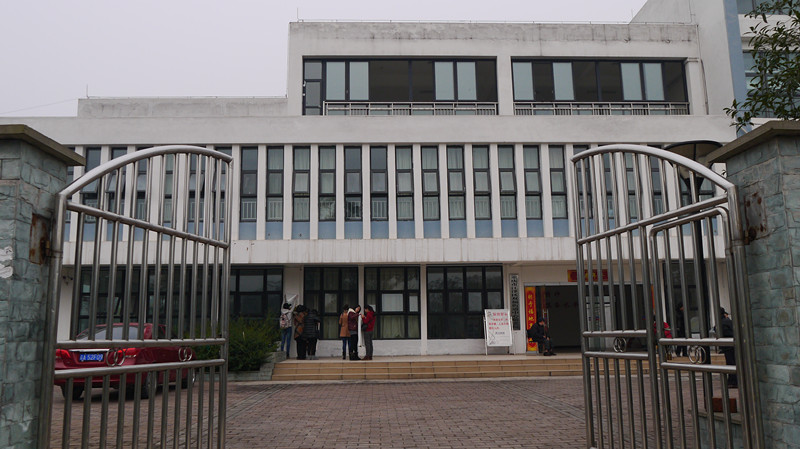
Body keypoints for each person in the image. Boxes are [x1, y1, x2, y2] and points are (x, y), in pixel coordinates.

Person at [719, 307, 737, 388]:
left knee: (730, 363)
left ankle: (733, 381)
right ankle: (733, 380)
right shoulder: (728, 321)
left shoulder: (722, 322)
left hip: (728, 346)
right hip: (731, 345)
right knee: (732, 362)